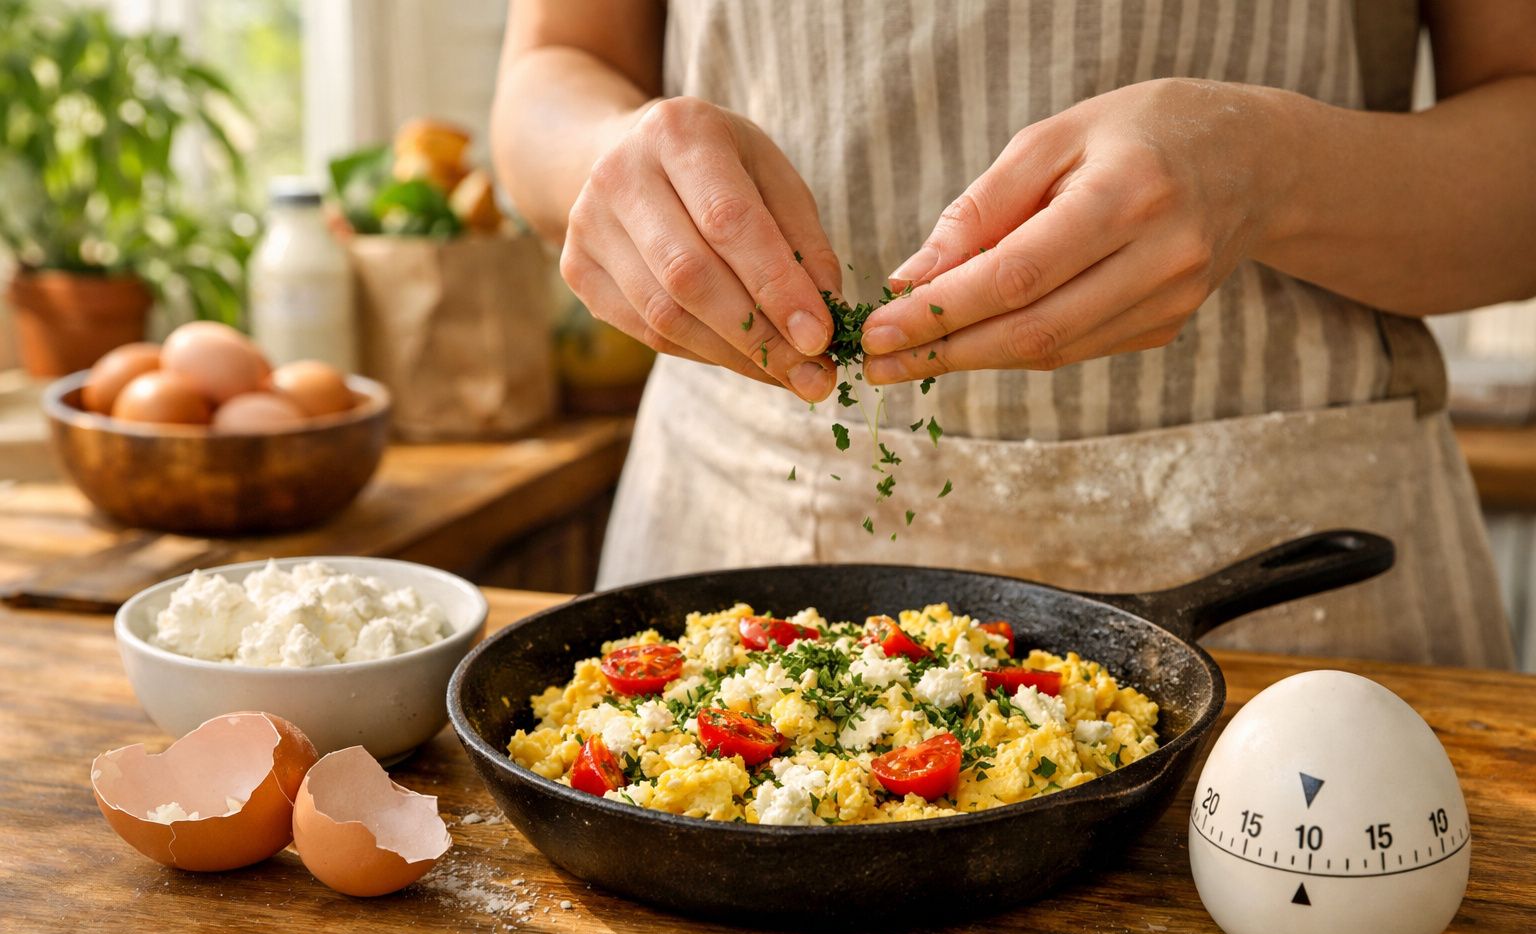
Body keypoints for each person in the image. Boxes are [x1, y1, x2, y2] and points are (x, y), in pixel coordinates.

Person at [491, 1, 1535, 668]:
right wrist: (606, 153)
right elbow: (553, 70)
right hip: (748, 557)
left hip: (1289, 598)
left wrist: (1269, 170)